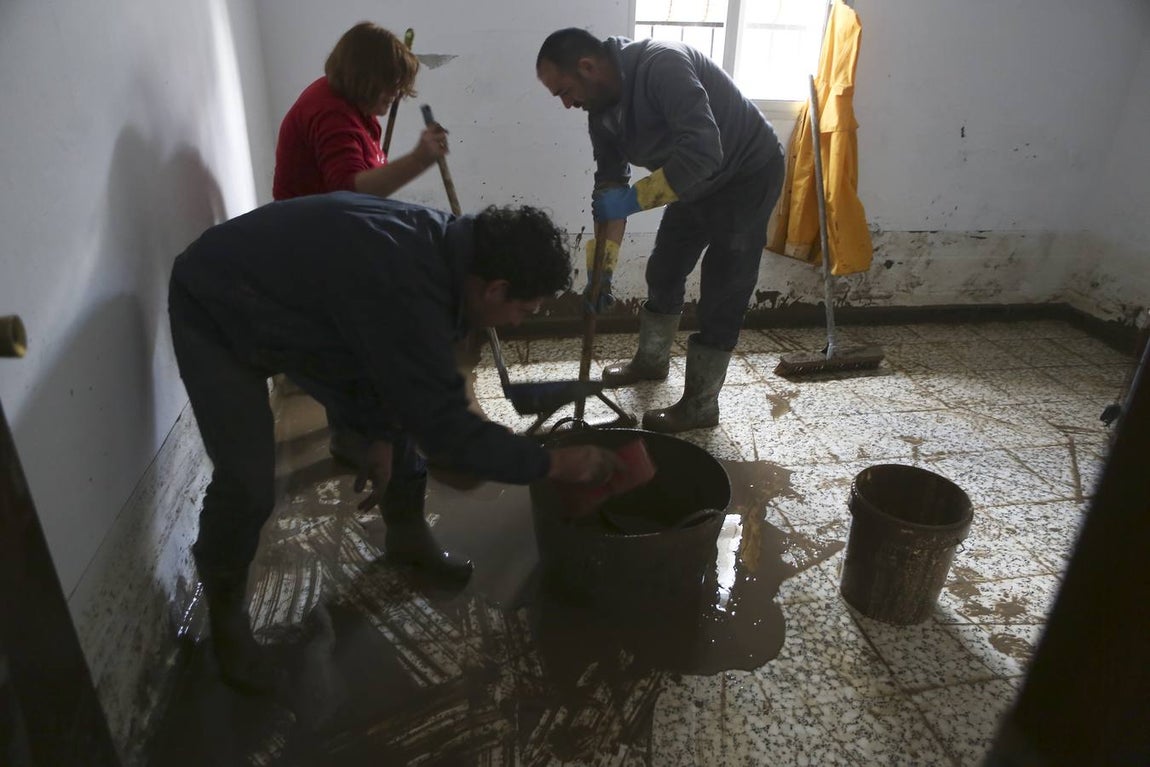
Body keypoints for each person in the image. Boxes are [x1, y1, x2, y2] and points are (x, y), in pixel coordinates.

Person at [168, 193, 623, 692]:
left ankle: (406, 534)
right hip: (218, 303)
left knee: (403, 414)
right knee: (248, 481)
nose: (519, 323)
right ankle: (227, 620)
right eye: (524, 309)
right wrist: (553, 464)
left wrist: (381, 435)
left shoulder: (451, 255)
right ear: (495, 288)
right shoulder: (406, 282)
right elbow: (449, 435)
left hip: (307, 309)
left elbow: (392, 370)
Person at [536, 28, 786, 433]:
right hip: (691, 181)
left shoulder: (662, 64)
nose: (567, 104)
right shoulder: (600, 113)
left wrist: (632, 201)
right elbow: (609, 191)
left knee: (724, 288)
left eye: (564, 91)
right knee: (665, 269)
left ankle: (701, 405)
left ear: (587, 67)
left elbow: (705, 151)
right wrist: (603, 273)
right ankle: (651, 362)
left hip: (747, 174)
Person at [273, 21, 450, 465]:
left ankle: (356, 431)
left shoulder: (345, 103)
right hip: (311, 248)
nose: (394, 99)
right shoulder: (331, 112)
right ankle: (356, 441)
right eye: (390, 88)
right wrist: (420, 159)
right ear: (366, 78)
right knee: (353, 346)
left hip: (327, 237)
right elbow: (352, 188)